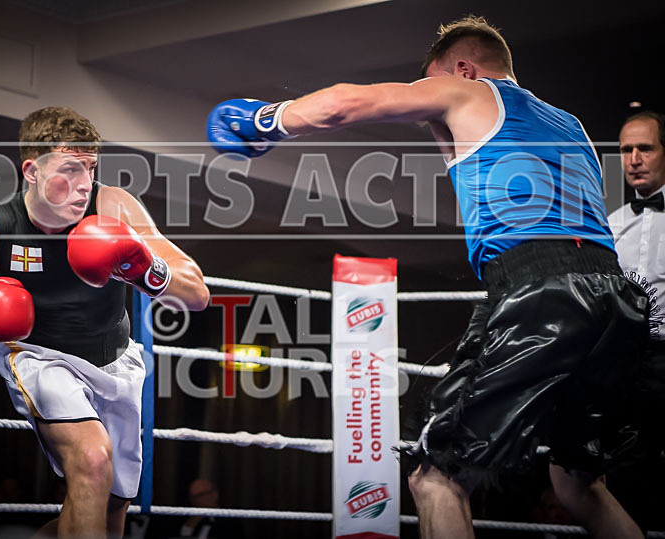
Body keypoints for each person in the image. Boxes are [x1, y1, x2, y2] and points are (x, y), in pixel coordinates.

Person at [205, 15, 648, 539]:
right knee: (579, 484)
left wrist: (268, 120)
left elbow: (342, 103)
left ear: (462, 69)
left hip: (539, 292)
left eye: (432, 84)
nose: (430, 110)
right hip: (617, 302)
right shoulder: (569, 124)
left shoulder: (469, 93)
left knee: (434, 474)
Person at [0, 106, 210, 538]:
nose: (84, 184)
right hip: (41, 357)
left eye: (91, 168)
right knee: (92, 458)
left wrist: (147, 271)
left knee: (112, 511)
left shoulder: (113, 206)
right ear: (32, 170)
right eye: (70, 169)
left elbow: (197, 293)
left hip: (115, 362)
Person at [607, 111, 665, 530]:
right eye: (627, 149)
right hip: (625, 363)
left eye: (645, 147)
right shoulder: (610, 225)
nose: (634, 159)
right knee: (625, 470)